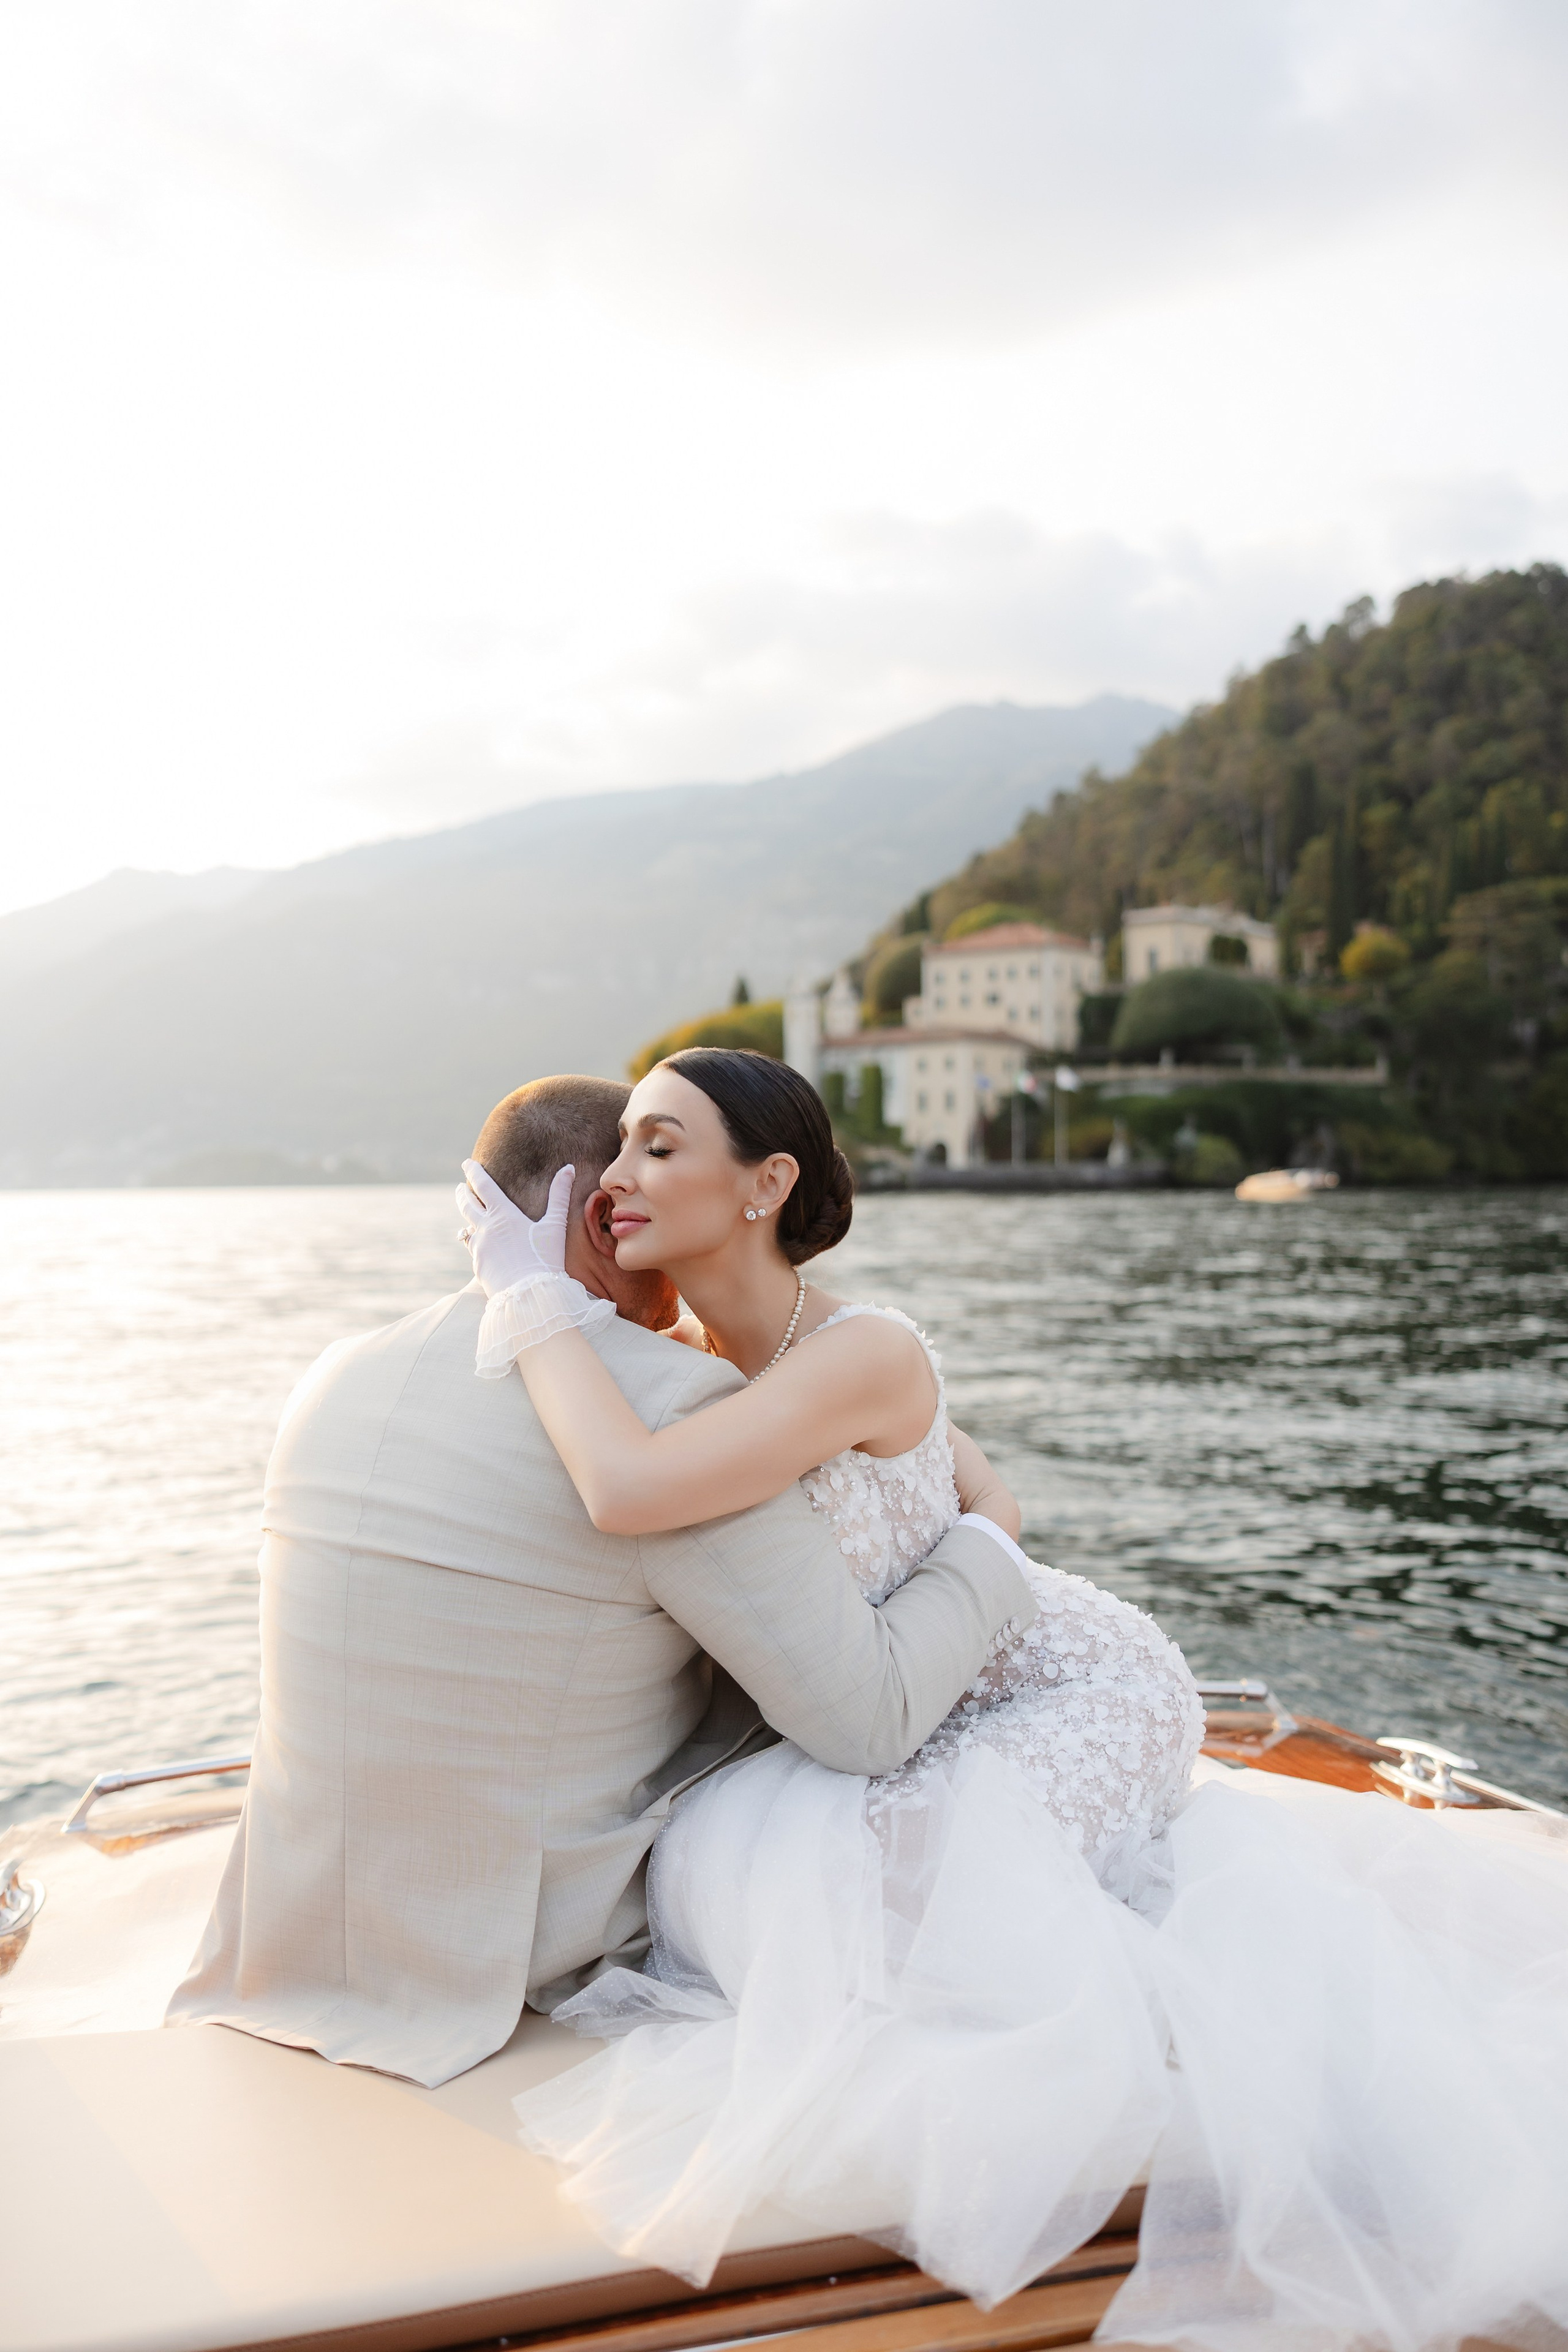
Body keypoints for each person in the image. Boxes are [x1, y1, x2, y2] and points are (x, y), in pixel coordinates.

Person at [461, 1049, 1568, 2352]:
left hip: (1076, 1682)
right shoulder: (699, 1362)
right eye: (620, 1150)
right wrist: (982, 1525)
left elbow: (630, 1492)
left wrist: (526, 1299)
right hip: (936, 1692)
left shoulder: (860, 1347)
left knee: (912, 1915)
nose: (617, 1182)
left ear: (764, 1183)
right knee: (810, 1900)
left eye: (659, 1146)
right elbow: (962, 1474)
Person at [167, 1074, 1038, 2089]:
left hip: (296, 1932)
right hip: (513, 1951)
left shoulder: (338, 1372)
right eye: (634, 1160)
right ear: (602, 1212)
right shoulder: (667, 1404)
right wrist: (995, 1539)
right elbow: (868, 1721)